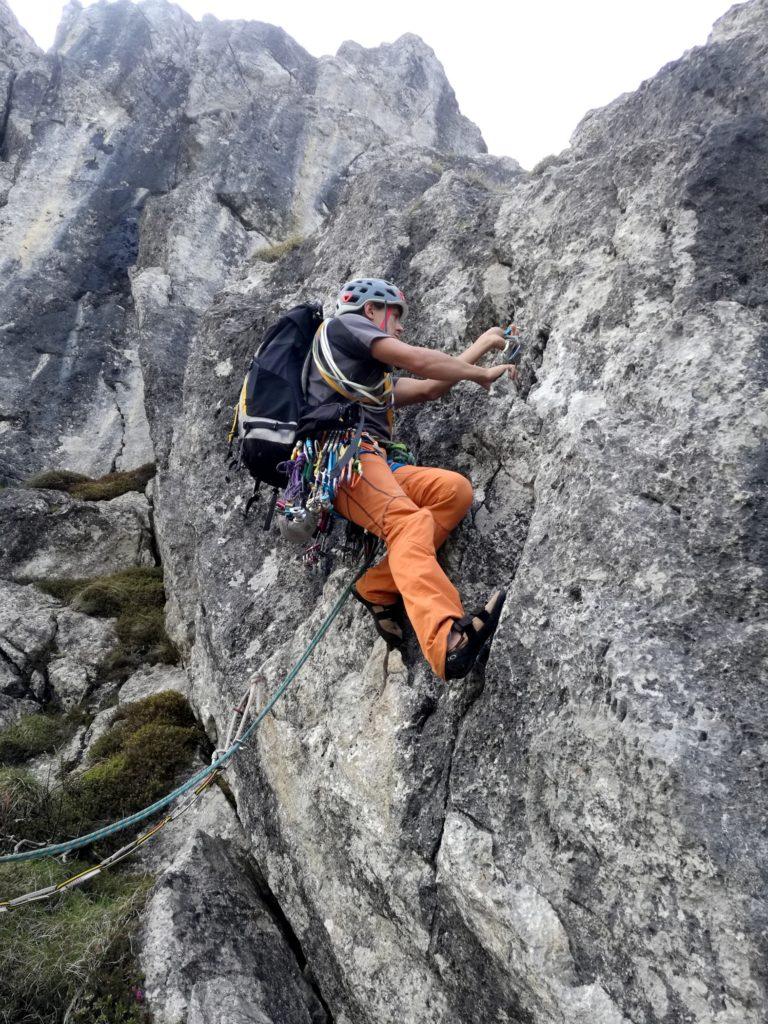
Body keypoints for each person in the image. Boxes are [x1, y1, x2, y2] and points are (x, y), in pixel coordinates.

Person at [306, 277, 518, 680]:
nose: (400, 326)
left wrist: (480, 349)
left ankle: (378, 586)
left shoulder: (365, 379)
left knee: (452, 492)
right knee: (408, 523)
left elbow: (427, 389)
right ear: (371, 311)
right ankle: (445, 642)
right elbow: (417, 359)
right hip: (342, 459)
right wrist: (478, 374)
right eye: (395, 315)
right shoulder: (343, 326)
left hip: (376, 464)